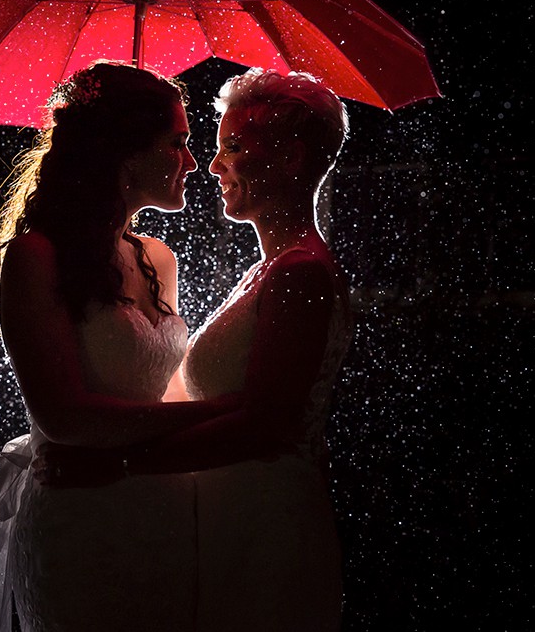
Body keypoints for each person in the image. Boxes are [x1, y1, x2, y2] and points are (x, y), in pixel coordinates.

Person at [0, 61, 239, 632]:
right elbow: (62, 416)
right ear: (124, 150)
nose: (191, 162)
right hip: (83, 519)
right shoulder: (36, 258)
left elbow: (166, 393)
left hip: (163, 515)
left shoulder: (159, 260)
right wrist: (221, 414)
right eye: (177, 142)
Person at [38, 67, 353, 632]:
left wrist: (118, 464)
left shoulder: (301, 273)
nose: (212, 165)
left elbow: (266, 422)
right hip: (223, 521)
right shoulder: (268, 271)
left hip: (264, 526)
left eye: (233, 146)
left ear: (291, 160)